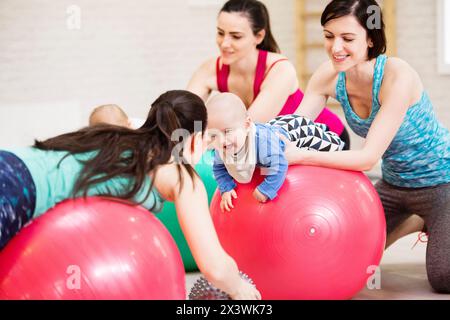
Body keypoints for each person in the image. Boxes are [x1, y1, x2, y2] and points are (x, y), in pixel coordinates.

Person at [0, 90, 261, 300]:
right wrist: (240, 288)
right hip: (16, 193)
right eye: (209, 138)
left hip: (10, 164)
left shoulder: (114, 138)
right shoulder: (179, 176)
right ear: (195, 138)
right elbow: (214, 266)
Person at [281, 0, 450, 293]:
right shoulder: (329, 76)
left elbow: (367, 158)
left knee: (443, 278)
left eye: (347, 38)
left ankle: (429, 219)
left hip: (442, 183)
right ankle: (414, 219)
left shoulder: (397, 75)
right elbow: (294, 130)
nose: (336, 48)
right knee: (344, 255)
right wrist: (257, 139)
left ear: (371, 39)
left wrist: (300, 156)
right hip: (394, 185)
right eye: (328, 36)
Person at [187, 0, 351, 149]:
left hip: (324, 136)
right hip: (275, 145)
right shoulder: (210, 69)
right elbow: (183, 117)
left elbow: (249, 130)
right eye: (220, 33)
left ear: (259, 36)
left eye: (236, 36)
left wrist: (203, 138)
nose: (225, 43)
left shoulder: (280, 69)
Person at [207, 92, 344, 212]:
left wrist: (266, 189)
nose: (222, 141)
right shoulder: (223, 148)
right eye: (214, 135)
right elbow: (219, 168)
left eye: (227, 132)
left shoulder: (264, 144)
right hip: (271, 129)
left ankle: (329, 137)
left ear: (247, 125)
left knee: (320, 140)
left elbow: (280, 165)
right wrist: (226, 187)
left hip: (291, 133)